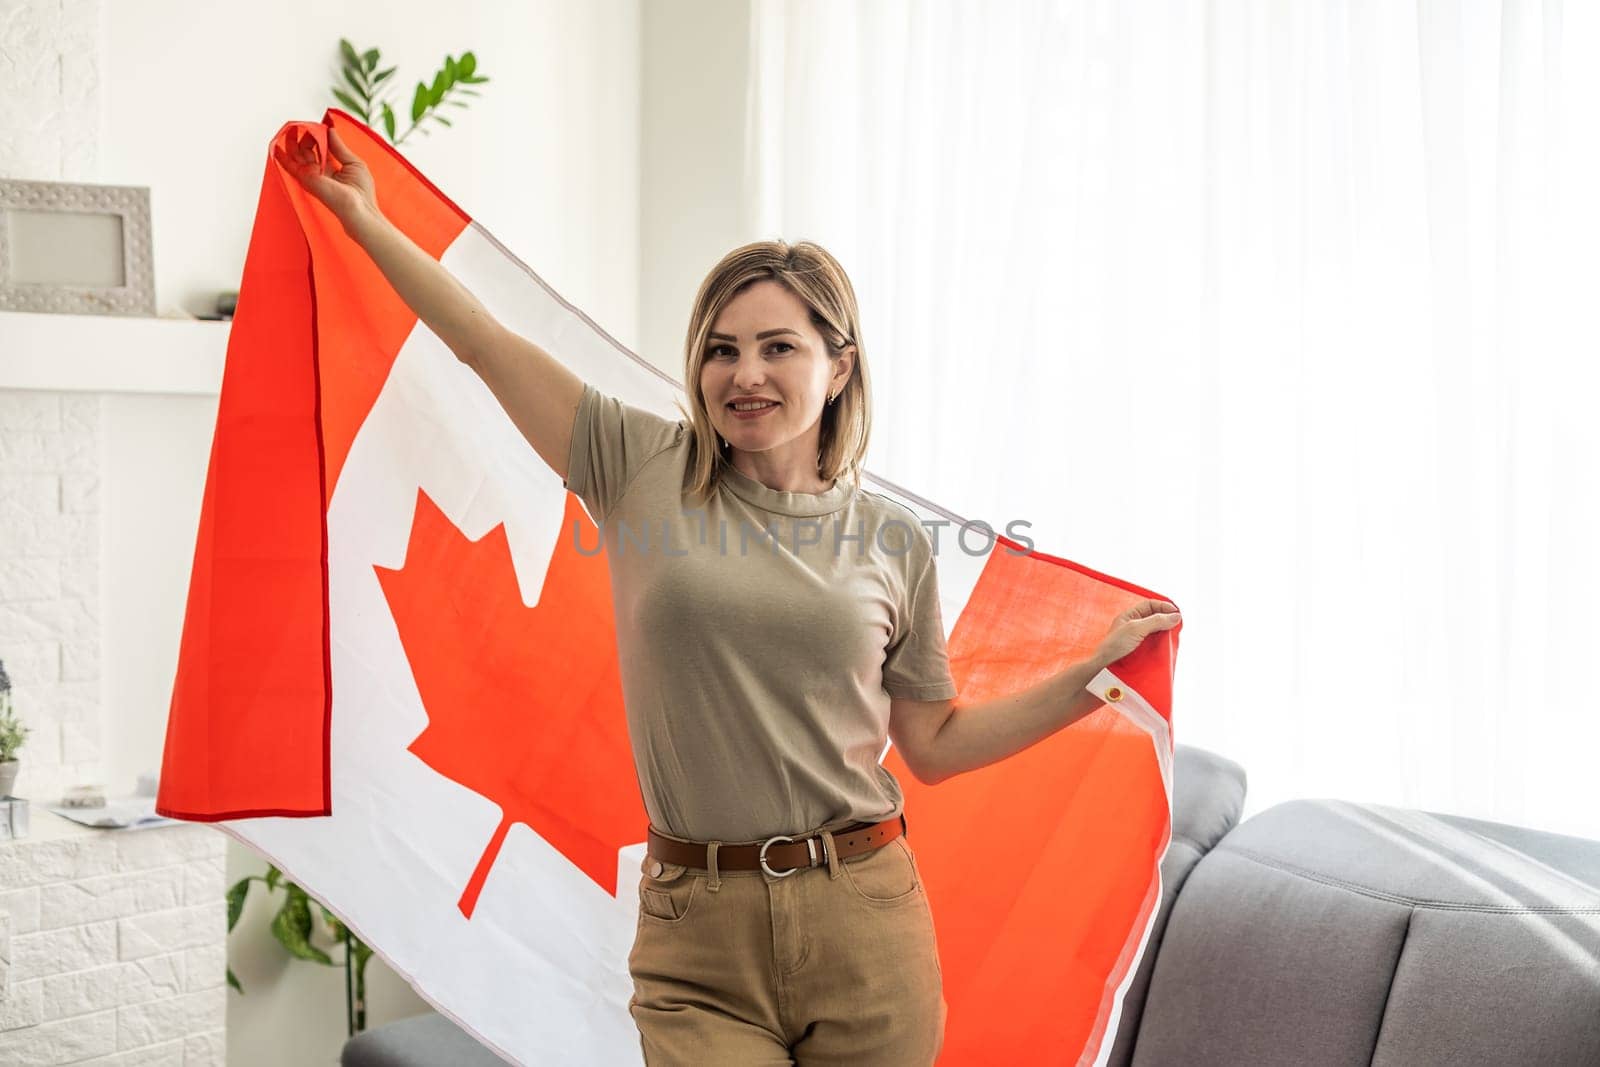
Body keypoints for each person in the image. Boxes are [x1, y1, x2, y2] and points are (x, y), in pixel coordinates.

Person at [278, 124, 1180, 1065]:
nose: (744, 374)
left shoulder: (895, 543)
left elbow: (937, 744)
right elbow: (482, 344)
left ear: (839, 369)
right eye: (721, 349)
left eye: (778, 347)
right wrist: (369, 224)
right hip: (694, 933)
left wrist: (1094, 679)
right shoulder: (636, 463)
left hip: (866, 920)